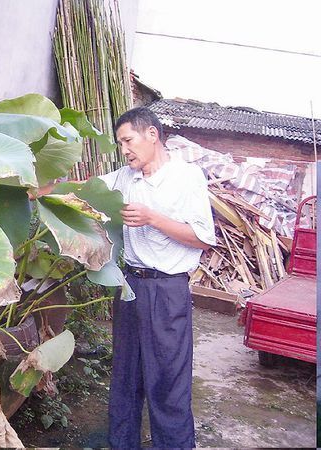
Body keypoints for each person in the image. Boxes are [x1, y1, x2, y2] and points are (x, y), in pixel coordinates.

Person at [99, 107, 216, 448]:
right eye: (120, 143)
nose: (124, 150)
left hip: (167, 290)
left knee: (168, 380)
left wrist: (153, 218)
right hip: (129, 286)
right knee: (125, 375)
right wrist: (46, 189)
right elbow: (87, 190)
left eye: (128, 140)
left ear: (152, 134)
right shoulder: (124, 177)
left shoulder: (186, 177)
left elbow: (202, 238)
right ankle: (122, 443)